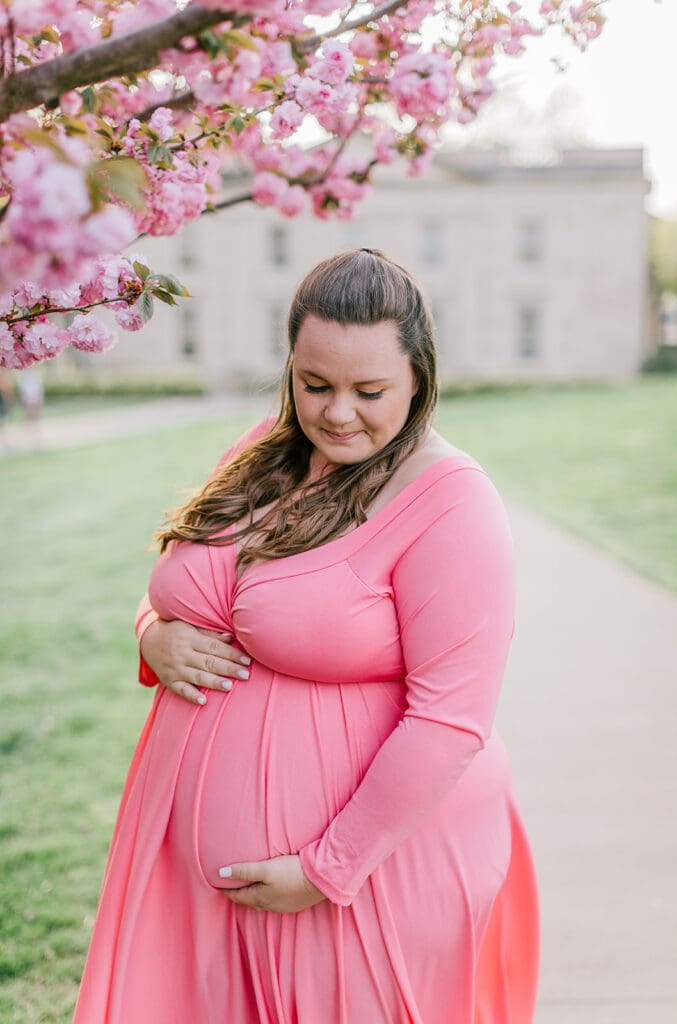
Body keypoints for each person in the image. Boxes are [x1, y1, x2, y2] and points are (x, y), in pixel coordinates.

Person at [73, 248, 539, 1023]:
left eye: (369, 390)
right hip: (198, 879)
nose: (337, 413)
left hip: (365, 877)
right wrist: (152, 634)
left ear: (419, 377)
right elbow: (190, 585)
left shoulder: (452, 504)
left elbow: (449, 721)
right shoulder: (267, 451)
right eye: (314, 383)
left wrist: (327, 869)